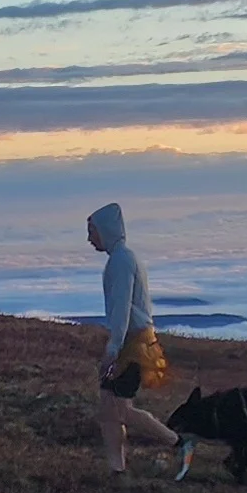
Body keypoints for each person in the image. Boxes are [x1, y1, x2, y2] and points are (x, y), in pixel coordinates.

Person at [84, 202, 190, 479]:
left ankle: (178, 442)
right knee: (109, 410)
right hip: (134, 342)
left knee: (120, 409)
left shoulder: (120, 261)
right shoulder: (124, 258)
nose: (89, 238)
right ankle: (116, 469)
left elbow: (122, 309)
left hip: (132, 346)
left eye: (92, 231)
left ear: (105, 230)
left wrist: (113, 348)